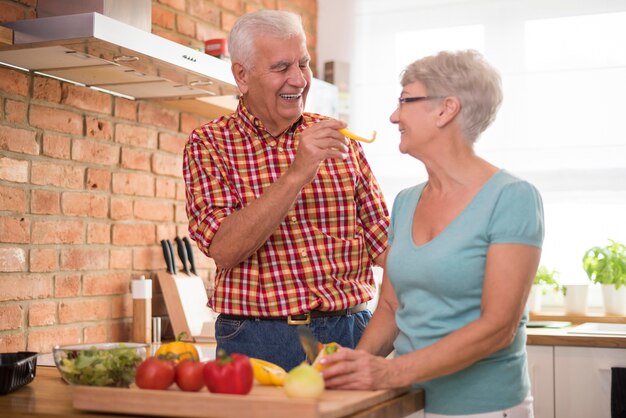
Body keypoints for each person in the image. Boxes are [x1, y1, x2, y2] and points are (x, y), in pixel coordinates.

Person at [320, 50, 544, 418]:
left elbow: (497, 327)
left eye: (406, 100)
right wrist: (355, 368)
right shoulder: (406, 202)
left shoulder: (512, 197)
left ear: (446, 109)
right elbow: (391, 307)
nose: (394, 116)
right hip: (410, 403)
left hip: (485, 409)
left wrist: (390, 371)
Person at [183, 10, 389, 371]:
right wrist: (297, 174)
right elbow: (224, 249)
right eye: (281, 67)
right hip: (259, 339)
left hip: (351, 331)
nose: (299, 79)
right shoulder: (209, 143)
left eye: (303, 63)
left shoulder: (338, 139)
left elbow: (384, 243)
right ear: (242, 76)